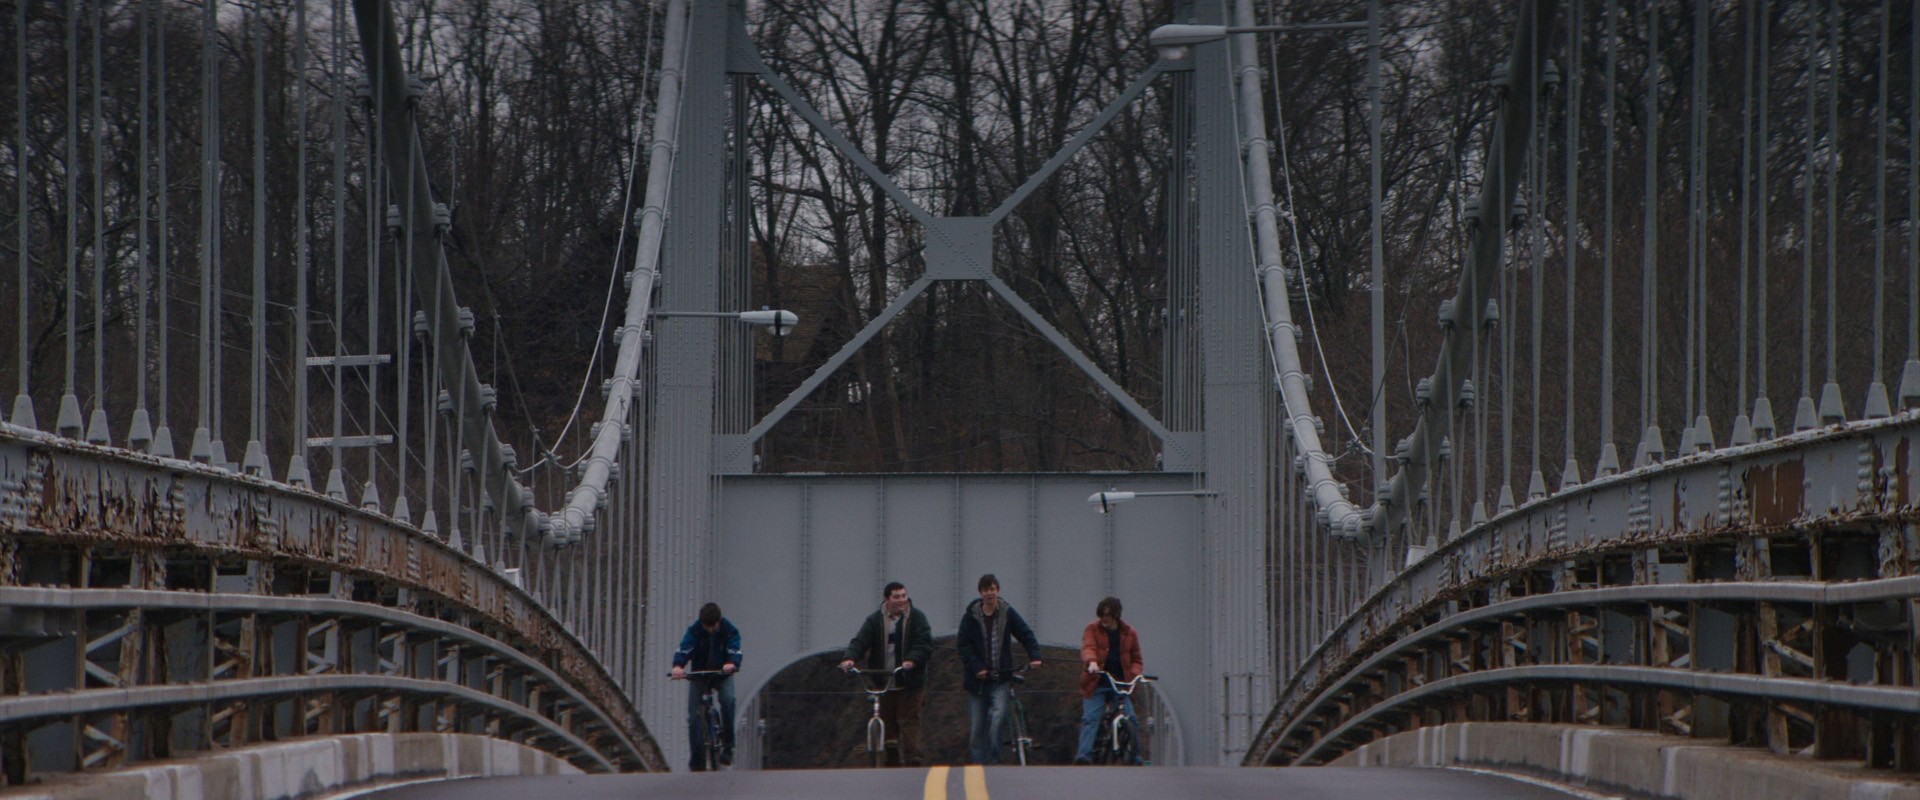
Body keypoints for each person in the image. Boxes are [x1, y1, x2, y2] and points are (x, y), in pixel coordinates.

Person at [837, 581, 933, 766]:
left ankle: (913, 760)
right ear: (887, 599)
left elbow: (924, 643)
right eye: (896, 596)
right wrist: (850, 658)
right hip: (884, 679)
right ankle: (891, 759)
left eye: (904, 596)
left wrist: (912, 660)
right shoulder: (875, 620)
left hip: (909, 680)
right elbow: (860, 641)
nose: (901, 600)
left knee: (909, 721)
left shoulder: (917, 618)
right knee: (887, 720)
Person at [956, 573, 1043, 765]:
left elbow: (1025, 633)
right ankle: (979, 768)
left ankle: (994, 763)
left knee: (997, 720)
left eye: (993, 589)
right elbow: (963, 646)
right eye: (986, 590)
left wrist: (1035, 656)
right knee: (977, 730)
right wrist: (977, 667)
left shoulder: (1007, 612)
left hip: (1000, 678)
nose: (990, 593)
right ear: (980, 592)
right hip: (977, 682)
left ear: (998, 590)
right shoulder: (970, 617)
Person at [671, 602, 742, 770]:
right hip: (700, 675)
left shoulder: (728, 630)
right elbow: (685, 648)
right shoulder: (695, 630)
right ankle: (696, 759)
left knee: (728, 699)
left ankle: (728, 747)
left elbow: (735, 648)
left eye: (713, 626)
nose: (710, 629)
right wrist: (678, 665)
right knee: (693, 717)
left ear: (719, 621)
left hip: (722, 674)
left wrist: (732, 663)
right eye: (707, 626)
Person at [1074, 596, 1143, 765]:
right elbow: (1088, 647)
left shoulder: (1129, 633)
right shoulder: (1092, 629)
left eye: (1108, 615)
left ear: (1116, 616)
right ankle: (1084, 757)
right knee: (1090, 718)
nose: (1104, 618)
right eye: (1102, 615)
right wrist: (1092, 663)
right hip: (1097, 682)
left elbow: (1137, 660)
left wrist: (1134, 674)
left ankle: (1136, 757)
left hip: (1120, 684)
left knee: (1131, 718)